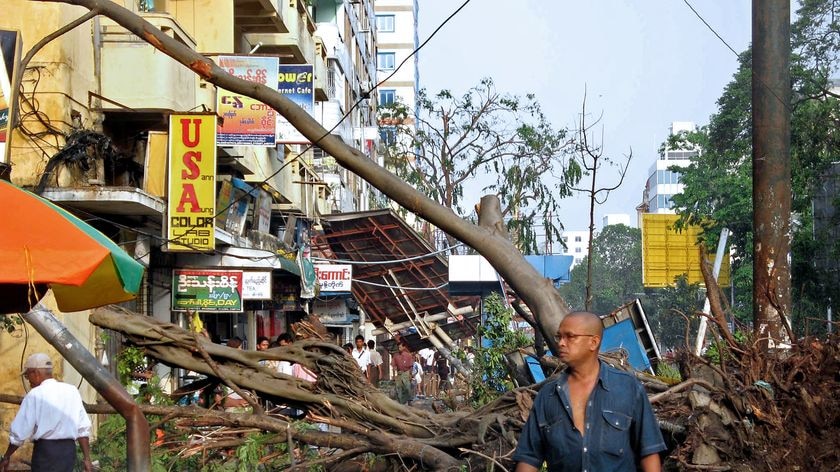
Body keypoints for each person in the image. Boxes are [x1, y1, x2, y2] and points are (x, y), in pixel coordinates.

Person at [513, 312, 666, 472]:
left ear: (593, 342)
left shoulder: (628, 388)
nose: (561, 343)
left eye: (570, 337)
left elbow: (649, 451)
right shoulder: (547, 397)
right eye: (560, 337)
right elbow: (529, 458)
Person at [0, 353, 93, 472]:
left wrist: (6, 456)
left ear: (36, 373)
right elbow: (83, 429)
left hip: (46, 452)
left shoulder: (35, 395)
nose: (29, 382)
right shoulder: (72, 391)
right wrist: (87, 459)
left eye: (28, 376)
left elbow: (20, 433)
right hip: (68, 453)